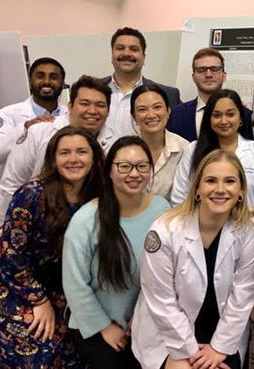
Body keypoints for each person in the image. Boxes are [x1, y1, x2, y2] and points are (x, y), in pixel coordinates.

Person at [0, 126, 105, 368]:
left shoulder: (100, 195)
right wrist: (38, 300)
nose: (73, 159)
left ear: (95, 157)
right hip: (1, 275)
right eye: (64, 153)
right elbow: (11, 254)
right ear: (53, 159)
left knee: (73, 350)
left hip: (52, 283)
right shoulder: (32, 194)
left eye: (82, 151)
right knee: (37, 343)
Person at [132, 149, 254, 369]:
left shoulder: (251, 229)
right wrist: (190, 352)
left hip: (223, 334)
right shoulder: (165, 230)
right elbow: (161, 300)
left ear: (241, 191)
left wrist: (219, 348)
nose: (220, 190)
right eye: (211, 180)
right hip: (167, 334)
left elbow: (243, 296)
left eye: (229, 181)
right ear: (198, 189)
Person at [62, 136, 170, 368]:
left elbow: (167, 272)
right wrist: (105, 327)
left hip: (148, 322)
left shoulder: (162, 209)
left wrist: (143, 318)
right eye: (125, 166)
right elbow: (74, 284)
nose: (134, 174)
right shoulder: (85, 220)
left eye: (142, 166)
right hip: (99, 326)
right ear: (109, 170)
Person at [0, 75, 118, 236]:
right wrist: (8, 233)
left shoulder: (115, 141)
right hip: (30, 227)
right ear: (70, 106)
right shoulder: (40, 132)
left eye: (100, 105)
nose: (92, 111)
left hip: (84, 230)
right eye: (85, 103)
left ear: (108, 111)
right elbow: (10, 186)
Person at [0, 57, 68, 235]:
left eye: (53, 77)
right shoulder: (9, 115)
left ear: (62, 83)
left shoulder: (70, 117)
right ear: (30, 81)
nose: (46, 81)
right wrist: (25, 128)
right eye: (40, 76)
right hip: (8, 206)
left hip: (54, 210)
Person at [171, 89, 254, 210]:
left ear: (240, 118)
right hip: (200, 226)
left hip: (247, 226)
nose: (224, 121)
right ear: (209, 119)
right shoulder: (193, 150)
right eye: (217, 115)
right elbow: (180, 198)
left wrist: (252, 226)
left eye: (230, 114)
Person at [101, 27, 181, 137]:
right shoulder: (92, 91)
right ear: (112, 55)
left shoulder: (169, 94)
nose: (126, 53)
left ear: (144, 57)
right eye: (120, 48)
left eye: (134, 49)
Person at [167, 48, 254, 141]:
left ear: (224, 75)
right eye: (201, 69)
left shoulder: (244, 115)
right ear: (193, 77)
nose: (208, 74)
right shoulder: (175, 115)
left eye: (214, 69)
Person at [131, 84, 189, 201]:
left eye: (157, 107)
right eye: (142, 109)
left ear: (168, 111)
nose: (151, 115)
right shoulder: (122, 150)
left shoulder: (185, 149)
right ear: (134, 116)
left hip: (172, 217)